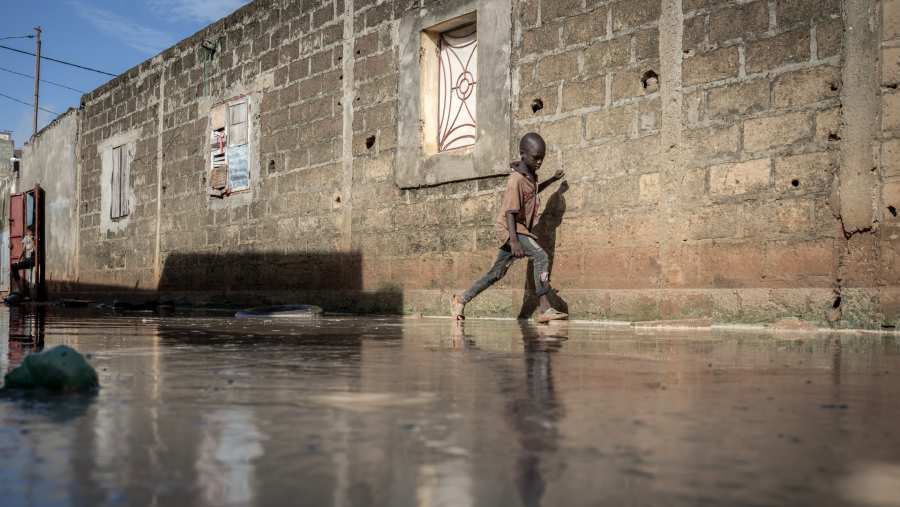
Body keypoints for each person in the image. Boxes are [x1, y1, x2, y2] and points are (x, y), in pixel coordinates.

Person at [452, 133, 568, 323]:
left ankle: (460, 300)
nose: (539, 162)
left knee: (496, 273)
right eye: (535, 158)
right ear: (523, 154)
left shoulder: (529, 176)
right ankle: (545, 308)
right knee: (540, 256)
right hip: (511, 229)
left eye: (542, 158)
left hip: (517, 230)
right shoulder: (516, 179)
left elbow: (533, 192)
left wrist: (553, 180)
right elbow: (510, 213)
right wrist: (514, 241)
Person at [11, 226, 35, 296]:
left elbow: (36, 250)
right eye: (27, 232)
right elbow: (23, 250)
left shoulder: (35, 239)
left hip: (33, 259)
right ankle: (19, 289)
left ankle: (23, 291)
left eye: (29, 232)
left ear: (32, 232)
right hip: (27, 259)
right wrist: (18, 260)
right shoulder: (26, 239)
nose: (27, 233)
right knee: (13, 266)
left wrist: (32, 241)